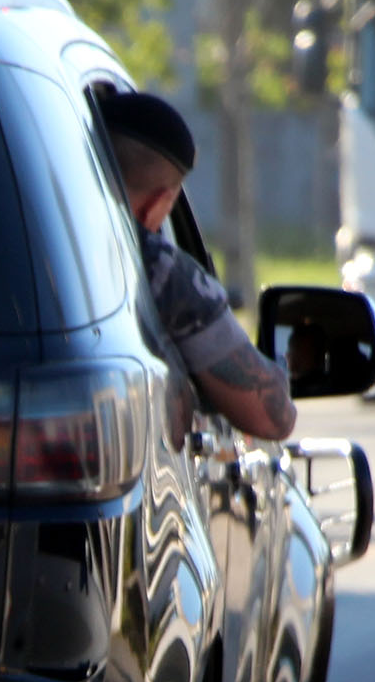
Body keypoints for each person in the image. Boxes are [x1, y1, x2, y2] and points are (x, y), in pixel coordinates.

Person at [94, 88, 297, 441]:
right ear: (158, 202)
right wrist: (285, 366)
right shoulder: (159, 269)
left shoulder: (32, 237)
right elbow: (271, 417)